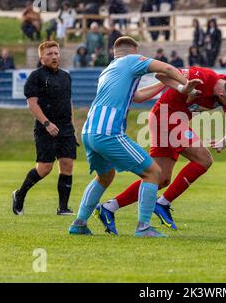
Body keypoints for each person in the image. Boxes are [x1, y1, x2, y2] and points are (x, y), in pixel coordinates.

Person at [68, 36, 201, 237]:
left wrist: (164, 86)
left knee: (105, 176)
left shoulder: (108, 71)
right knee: (154, 173)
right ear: (134, 51)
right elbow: (167, 68)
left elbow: (136, 97)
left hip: (89, 131)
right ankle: (143, 228)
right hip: (108, 132)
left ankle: (78, 224)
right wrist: (186, 86)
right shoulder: (131, 60)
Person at [94, 67, 226, 233]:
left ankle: (109, 208)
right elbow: (161, 74)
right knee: (204, 159)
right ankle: (162, 204)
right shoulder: (201, 77)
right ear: (222, 95)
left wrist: (224, 141)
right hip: (166, 116)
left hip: (173, 121)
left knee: (160, 179)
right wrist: (184, 87)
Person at [12, 41, 78, 216]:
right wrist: (47, 124)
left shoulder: (66, 76)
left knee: (67, 165)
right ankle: (19, 194)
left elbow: (68, 102)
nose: (54, 56)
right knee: (45, 168)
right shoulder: (36, 76)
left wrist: (72, 127)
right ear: (42, 59)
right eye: (49, 54)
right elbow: (32, 104)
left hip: (65, 128)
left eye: (56, 53)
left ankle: (63, 208)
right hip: (45, 128)